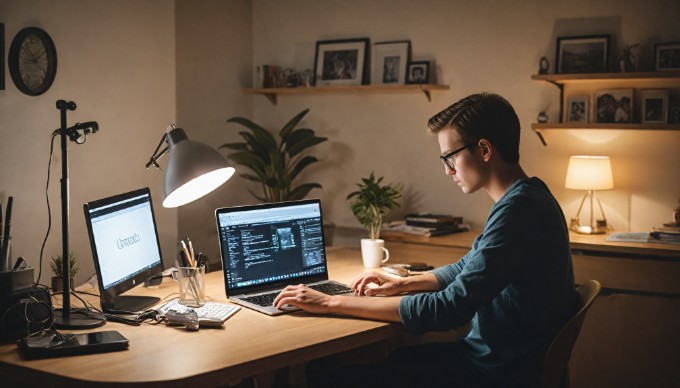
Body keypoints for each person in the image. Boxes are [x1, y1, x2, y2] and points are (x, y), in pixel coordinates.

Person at [274, 92, 579, 387]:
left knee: (328, 375)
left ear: (484, 150)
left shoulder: (518, 210)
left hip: (495, 374)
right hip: (498, 362)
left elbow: (449, 308)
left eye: (450, 157)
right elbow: (467, 267)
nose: (447, 171)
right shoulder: (528, 196)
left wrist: (330, 302)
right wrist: (404, 282)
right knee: (396, 359)